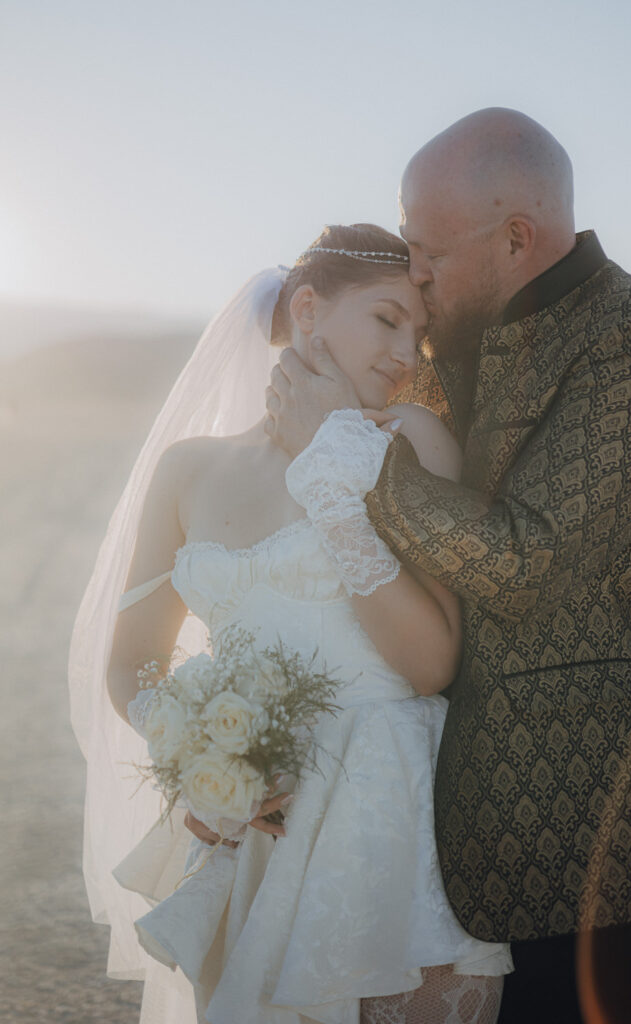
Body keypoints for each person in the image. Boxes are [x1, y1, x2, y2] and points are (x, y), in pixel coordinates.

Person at [266, 111, 631, 1023]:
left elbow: (529, 561)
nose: (413, 273)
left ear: (517, 238)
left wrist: (343, 454)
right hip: (446, 853)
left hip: (601, 864)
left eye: (427, 252)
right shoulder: (448, 343)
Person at [71, 222, 512, 1024]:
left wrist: (331, 472)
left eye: (419, 333)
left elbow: (429, 664)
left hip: (390, 817)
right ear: (307, 310)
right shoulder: (189, 470)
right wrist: (202, 761)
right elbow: (132, 659)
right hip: (255, 834)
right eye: (386, 319)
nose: (406, 353)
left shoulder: (410, 440)